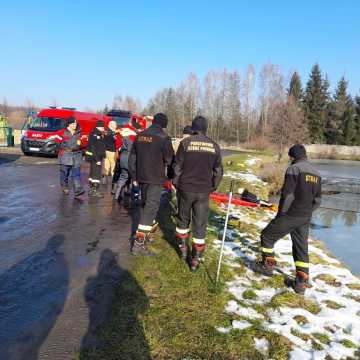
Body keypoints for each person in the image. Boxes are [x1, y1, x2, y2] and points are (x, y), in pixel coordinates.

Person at [252, 144, 322, 295]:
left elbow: (288, 195)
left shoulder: (294, 169)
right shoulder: (316, 173)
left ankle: (268, 265)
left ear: (293, 157)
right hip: (305, 216)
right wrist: (307, 212)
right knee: (301, 247)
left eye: (290, 157)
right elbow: (317, 201)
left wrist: (281, 213)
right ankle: (301, 282)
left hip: (291, 214)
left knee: (267, 236)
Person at [173, 116, 223, 271]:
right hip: (203, 191)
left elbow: (177, 166)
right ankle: (196, 258)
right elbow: (218, 170)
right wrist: (213, 186)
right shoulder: (214, 146)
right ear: (206, 128)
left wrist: (176, 183)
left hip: (186, 188)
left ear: (193, 128)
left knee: (183, 219)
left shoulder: (185, 143)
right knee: (200, 223)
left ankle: (182, 248)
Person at [128, 113, 174, 255]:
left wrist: (134, 176)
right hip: (155, 179)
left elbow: (132, 158)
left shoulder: (140, 135)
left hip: (141, 178)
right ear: (164, 124)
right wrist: (171, 177)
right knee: (150, 209)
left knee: (147, 206)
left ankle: (150, 232)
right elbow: (170, 160)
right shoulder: (164, 138)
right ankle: (139, 243)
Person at [114, 121, 140, 204]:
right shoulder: (133, 136)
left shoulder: (122, 136)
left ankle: (117, 195)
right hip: (131, 158)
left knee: (123, 176)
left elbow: (117, 147)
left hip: (123, 157)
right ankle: (136, 198)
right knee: (135, 178)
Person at [58, 117, 85, 198]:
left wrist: (82, 145)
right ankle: (64, 186)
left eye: (76, 123)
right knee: (64, 173)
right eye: (73, 124)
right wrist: (62, 149)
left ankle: (78, 190)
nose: (75, 125)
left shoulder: (79, 132)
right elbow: (56, 142)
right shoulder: (62, 132)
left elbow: (83, 143)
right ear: (69, 124)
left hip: (77, 155)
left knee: (76, 174)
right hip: (65, 155)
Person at [85, 120, 106, 197]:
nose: (104, 128)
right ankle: (95, 190)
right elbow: (93, 148)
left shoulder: (97, 133)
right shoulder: (95, 134)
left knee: (92, 173)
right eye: (103, 127)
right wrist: (97, 159)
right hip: (96, 158)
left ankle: (92, 190)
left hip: (94, 157)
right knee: (96, 174)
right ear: (99, 127)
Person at [102, 120, 119, 189]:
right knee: (113, 165)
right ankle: (113, 180)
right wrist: (115, 133)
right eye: (115, 125)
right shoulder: (112, 133)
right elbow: (115, 140)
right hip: (112, 151)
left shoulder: (106, 131)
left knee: (106, 164)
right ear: (112, 125)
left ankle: (104, 179)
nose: (116, 126)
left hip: (106, 150)